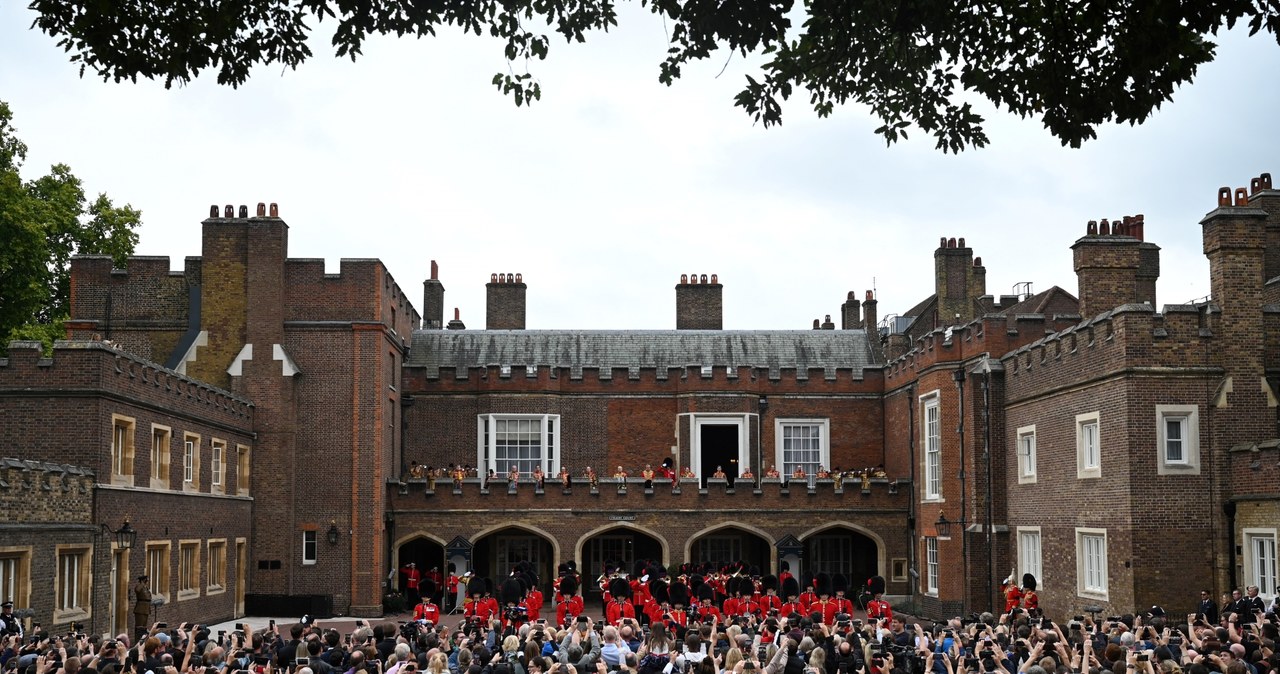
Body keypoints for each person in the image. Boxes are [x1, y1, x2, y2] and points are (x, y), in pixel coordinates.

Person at [133, 574, 152, 640]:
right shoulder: (139, 586)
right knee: (139, 626)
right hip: (140, 609)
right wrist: (141, 583)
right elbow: (137, 590)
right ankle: (137, 640)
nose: (147, 581)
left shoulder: (145, 587)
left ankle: (142, 639)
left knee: (144, 627)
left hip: (146, 608)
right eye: (146, 580)